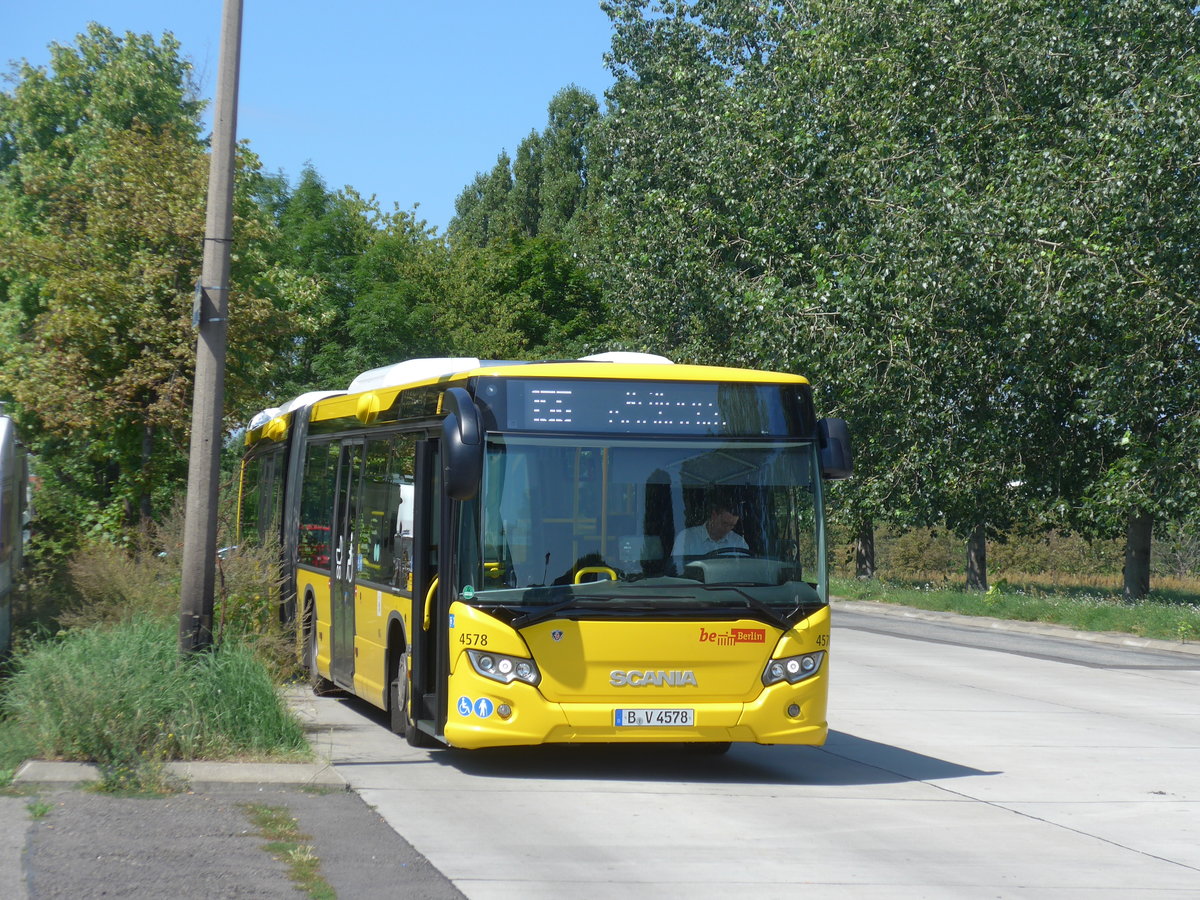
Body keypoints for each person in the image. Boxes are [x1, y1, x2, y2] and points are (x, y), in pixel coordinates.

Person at [672, 492, 749, 558]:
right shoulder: (686, 538)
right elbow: (676, 569)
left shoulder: (739, 542)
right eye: (724, 523)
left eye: (732, 525)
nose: (727, 529)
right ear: (714, 515)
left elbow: (745, 572)